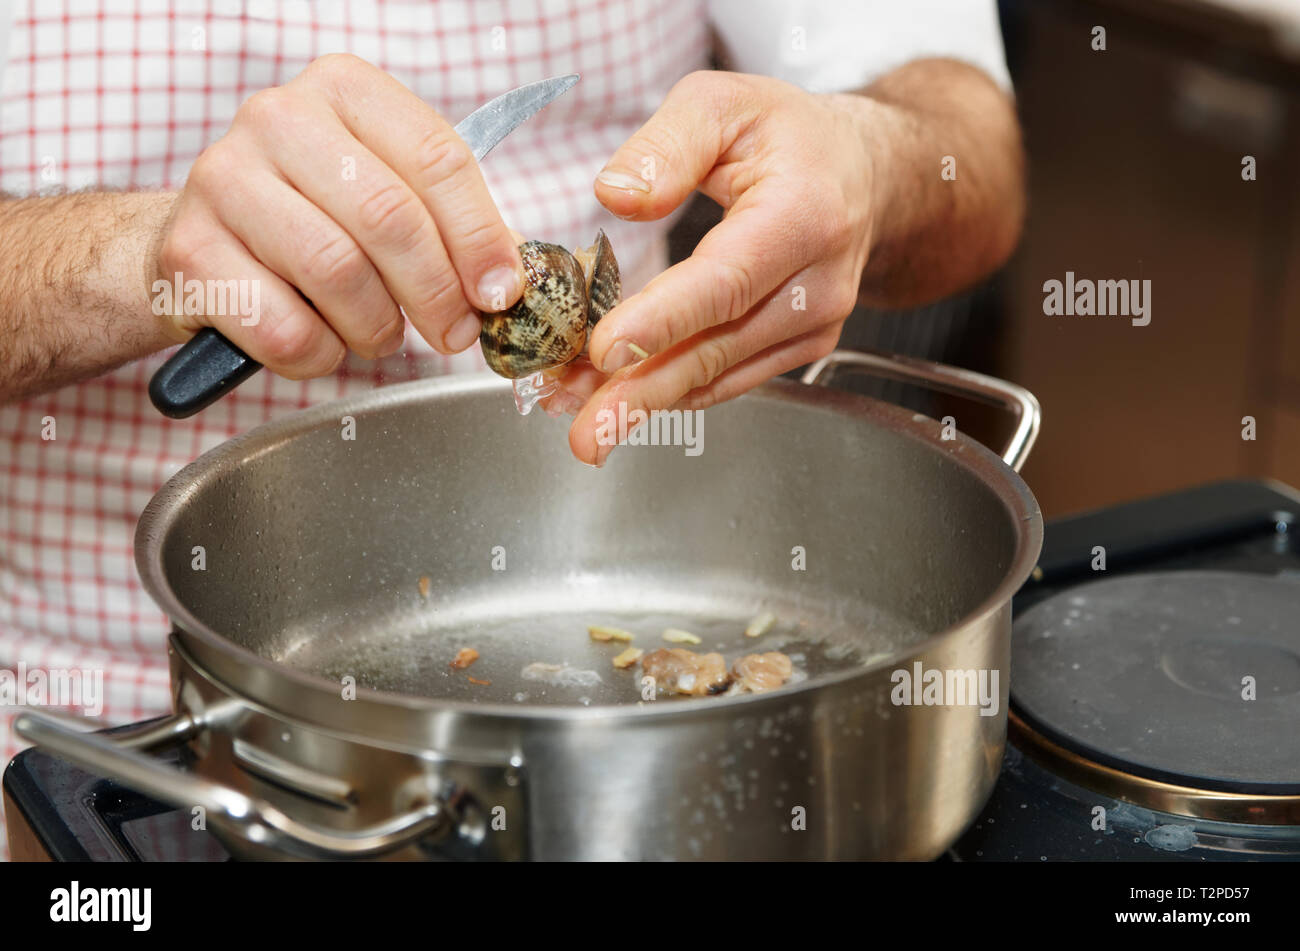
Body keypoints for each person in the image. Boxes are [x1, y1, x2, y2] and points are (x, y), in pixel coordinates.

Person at [0, 0, 1023, 858]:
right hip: (82, 743)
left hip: (637, 699)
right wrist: (132, 256)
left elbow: (966, 147)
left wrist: (868, 159)